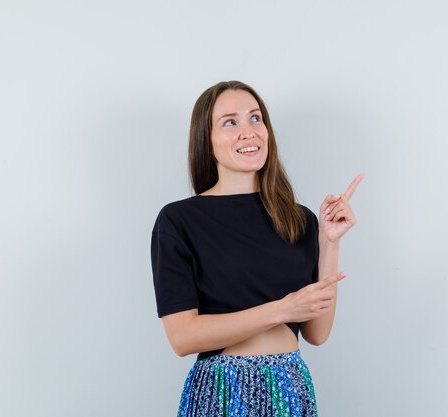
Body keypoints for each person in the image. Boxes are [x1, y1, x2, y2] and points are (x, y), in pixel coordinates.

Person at [150, 80, 364, 416]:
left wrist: (328, 242)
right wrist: (281, 310)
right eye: (230, 122)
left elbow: (317, 333)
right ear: (205, 140)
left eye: (255, 118)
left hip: (290, 390)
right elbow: (182, 337)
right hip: (222, 391)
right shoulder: (179, 220)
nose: (248, 131)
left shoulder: (298, 219)